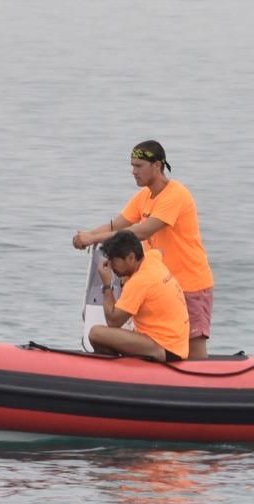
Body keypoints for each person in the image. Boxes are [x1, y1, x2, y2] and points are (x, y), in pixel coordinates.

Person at [72, 140, 214, 359]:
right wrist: (88, 236)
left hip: (189, 282)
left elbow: (139, 232)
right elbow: (115, 225)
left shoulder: (176, 195)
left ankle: (204, 389)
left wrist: (93, 238)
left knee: (194, 355)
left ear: (157, 166)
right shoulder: (144, 197)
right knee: (148, 336)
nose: (133, 171)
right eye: (132, 165)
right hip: (158, 282)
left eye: (138, 166)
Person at [88, 230, 189, 362]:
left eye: (114, 262)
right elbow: (159, 251)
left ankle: (115, 372)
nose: (111, 267)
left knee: (96, 333)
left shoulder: (139, 281)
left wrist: (106, 284)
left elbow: (113, 322)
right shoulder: (151, 258)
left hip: (164, 348)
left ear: (131, 258)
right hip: (177, 343)